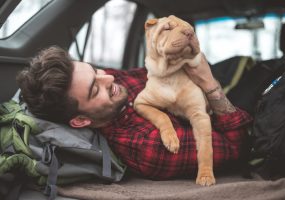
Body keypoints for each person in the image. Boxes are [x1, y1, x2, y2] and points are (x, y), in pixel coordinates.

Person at [16, 46, 252, 180]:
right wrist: (209, 84)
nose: (109, 77)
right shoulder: (147, 147)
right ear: (81, 120)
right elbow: (237, 147)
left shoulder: (110, 86)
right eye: (95, 88)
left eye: (95, 70)